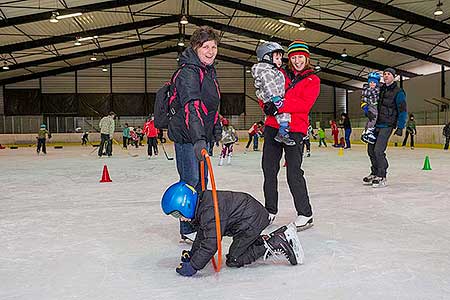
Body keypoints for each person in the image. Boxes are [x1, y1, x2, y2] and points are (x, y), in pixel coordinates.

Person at [161, 182, 304, 276]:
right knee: (237, 250)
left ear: (186, 204)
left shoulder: (209, 211)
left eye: (177, 214)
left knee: (234, 259)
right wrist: (193, 255)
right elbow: (202, 235)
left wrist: (193, 266)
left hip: (250, 222)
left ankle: (275, 243)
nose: (179, 219)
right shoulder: (203, 204)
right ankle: (274, 237)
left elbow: (211, 244)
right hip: (248, 217)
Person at [166, 26, 222, 242]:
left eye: (214, 46)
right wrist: (199, 139)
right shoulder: (189, 72)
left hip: (201, 136)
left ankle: (196, 222)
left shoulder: (208, 71)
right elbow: (192, 106)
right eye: (205, 47)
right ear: (196, 48)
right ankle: (187, 229)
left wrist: (215, 128)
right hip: (188, 137)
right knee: (190, 181)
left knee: (202, 183)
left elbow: (212, 105)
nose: (210, 51)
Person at [261, 39, 320, 230]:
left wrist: (280, 105)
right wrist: (267, 106)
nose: (297, 61)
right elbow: (265, 90)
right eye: (294, 57)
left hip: (295, 130)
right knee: (269, 170)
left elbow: (304, 105)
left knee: (293, 172)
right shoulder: (279, 73)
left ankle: (305, 214)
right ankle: (270, 211)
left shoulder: (313, 80)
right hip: (272, 126)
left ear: (307, 58)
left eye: (300, 57)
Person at [363, 68, 407, 188]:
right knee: (370, 150)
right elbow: (369, 100)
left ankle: (382, 175)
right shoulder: (380, 89)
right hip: (376, 123)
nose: (386, 76)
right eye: (384, 74)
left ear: (394, 76)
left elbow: (403, 110)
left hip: (387, 124)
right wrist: (367, 111)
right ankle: (374, 172)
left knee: (378, 150)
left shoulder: (399, 92)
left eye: (388, 74)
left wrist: (400, 126)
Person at [252, 42, 295, 146]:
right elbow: (269, 85)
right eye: (277, 58)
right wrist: (276, 99)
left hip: (275, 97)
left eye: (280, 59)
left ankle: (282, 132)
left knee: (284, 115)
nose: (280, 61)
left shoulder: (274, 71)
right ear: (267, 58)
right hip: (273, 98)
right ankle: (282, 133)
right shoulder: (267, 72)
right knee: (284, 114)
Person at [361, 72, 381, 144]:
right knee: (373, 117)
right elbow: (363, 99)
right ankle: (369, 131)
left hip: (375, 105)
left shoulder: (378, 89)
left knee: (370, 118)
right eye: (371, 82)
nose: (372, 84)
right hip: (371, 105)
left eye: (374, 83)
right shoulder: (367, 89)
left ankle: (365, 131)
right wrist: (366, 109)